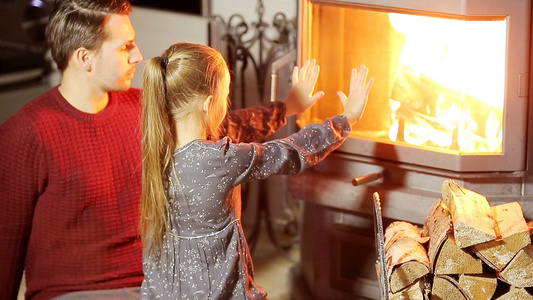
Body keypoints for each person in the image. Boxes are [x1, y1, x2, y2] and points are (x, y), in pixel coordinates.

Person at [0, 0, 326, 299]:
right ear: (84, 57)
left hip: (154, 284)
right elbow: (6, 244)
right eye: (125, 46)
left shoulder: (146, 108)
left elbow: (224, 128)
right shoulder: (25, 133)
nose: (138, 55)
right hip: (75, 292)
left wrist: (287, 106)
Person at [139, 42, 373, 299]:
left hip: (167, 289)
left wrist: (288, 106)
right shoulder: (218, 159)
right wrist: (345, 120)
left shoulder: (159, 141)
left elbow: (238, 123)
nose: (226, 105)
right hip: (213, 290)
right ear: (208, 104)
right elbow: (290, 152)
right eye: (225, 96)